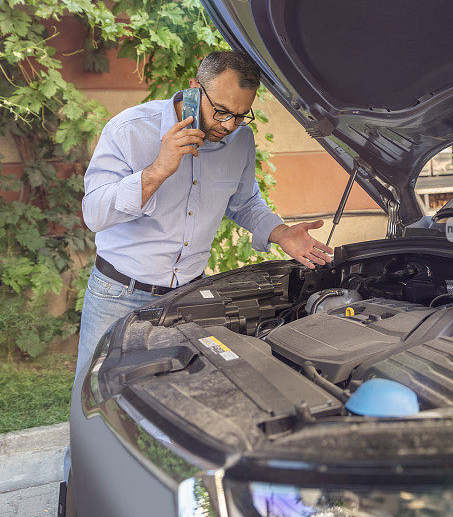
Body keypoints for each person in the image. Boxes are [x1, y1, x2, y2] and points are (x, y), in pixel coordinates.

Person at [75, 50, 332, 383]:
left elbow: (245, 203)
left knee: (179, 399)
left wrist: (281, 233)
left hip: (187, 300)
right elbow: (93, 214)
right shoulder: (130, 130)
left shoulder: (240, 140)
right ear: (195, 88)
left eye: (240, 115)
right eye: (222, 111)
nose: (228, 126)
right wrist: (157, 171)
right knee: (97, 396)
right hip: (119, 294)